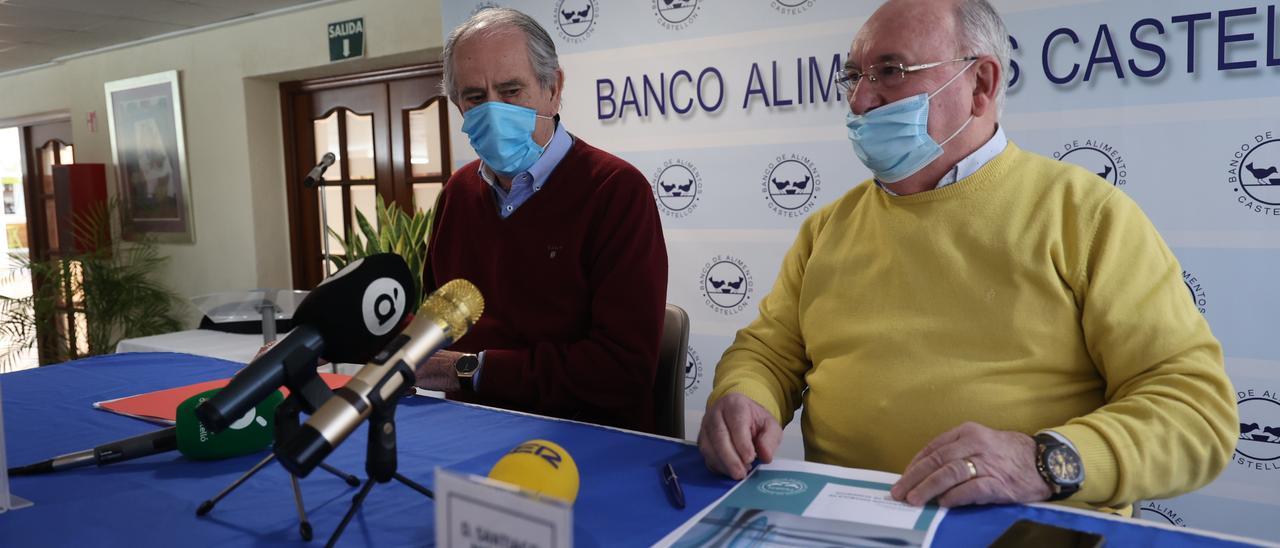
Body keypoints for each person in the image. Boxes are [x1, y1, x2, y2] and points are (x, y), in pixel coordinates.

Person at [698, 0, 1236, 514]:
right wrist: (745, 395)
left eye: (891, 71)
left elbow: (1195, 412)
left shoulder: (1086, 215)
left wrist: (1042, 461)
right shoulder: (827, 228)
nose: (860, 101)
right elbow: (768, 354)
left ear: (981, 84)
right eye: (853, 77)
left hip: (1022, 524)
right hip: (843, 518)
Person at [412, 8, 669, 433]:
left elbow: (622, 371)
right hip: (465, 432)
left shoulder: (616, 191)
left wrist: (471, 369)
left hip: (587, 444)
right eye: (475, 97)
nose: (494, 111)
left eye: (511, 90)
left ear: (554, 88)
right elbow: (435, 320)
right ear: (458, 104)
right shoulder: (457, 193)